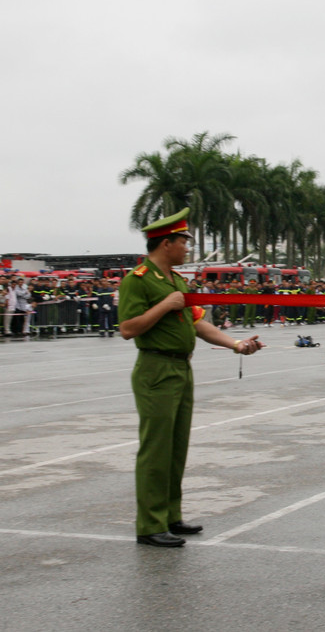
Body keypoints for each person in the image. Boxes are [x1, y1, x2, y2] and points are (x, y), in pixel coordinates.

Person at [118, 208, 265, 548]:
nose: (187, 247)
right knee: (156, 448)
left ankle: (170, 515)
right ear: (166, 243)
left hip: (181, 368)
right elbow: (127, 329)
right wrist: (163, 306)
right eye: (183, 241)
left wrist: (236, 344)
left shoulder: (176, 281)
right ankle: (150, 524)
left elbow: (198, 324)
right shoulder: (137, 280)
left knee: (176, 446)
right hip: (155, 369)